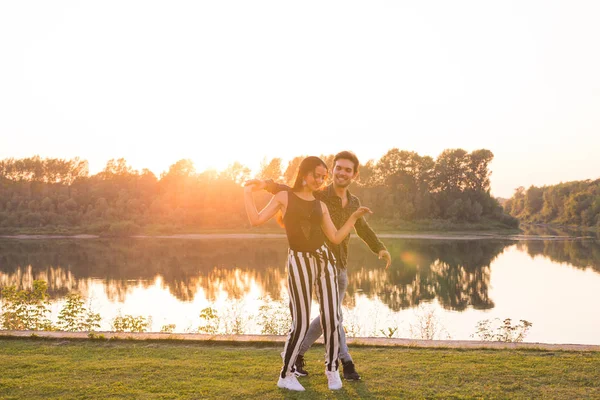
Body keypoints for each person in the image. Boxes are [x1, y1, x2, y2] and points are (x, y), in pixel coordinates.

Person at [248, 150, 391, 381]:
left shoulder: (353, 202)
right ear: (332, 170)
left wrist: (379, 248)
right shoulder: (319, 194)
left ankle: (295, 353)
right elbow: (289, 191)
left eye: (347, 170)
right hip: (317, 261)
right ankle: (346, 362)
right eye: (338, 168)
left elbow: (361, 227)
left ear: (354, 175)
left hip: (340, 265)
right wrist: (266, 184)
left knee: (330, 316)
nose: (342, 173)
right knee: (332, 316)